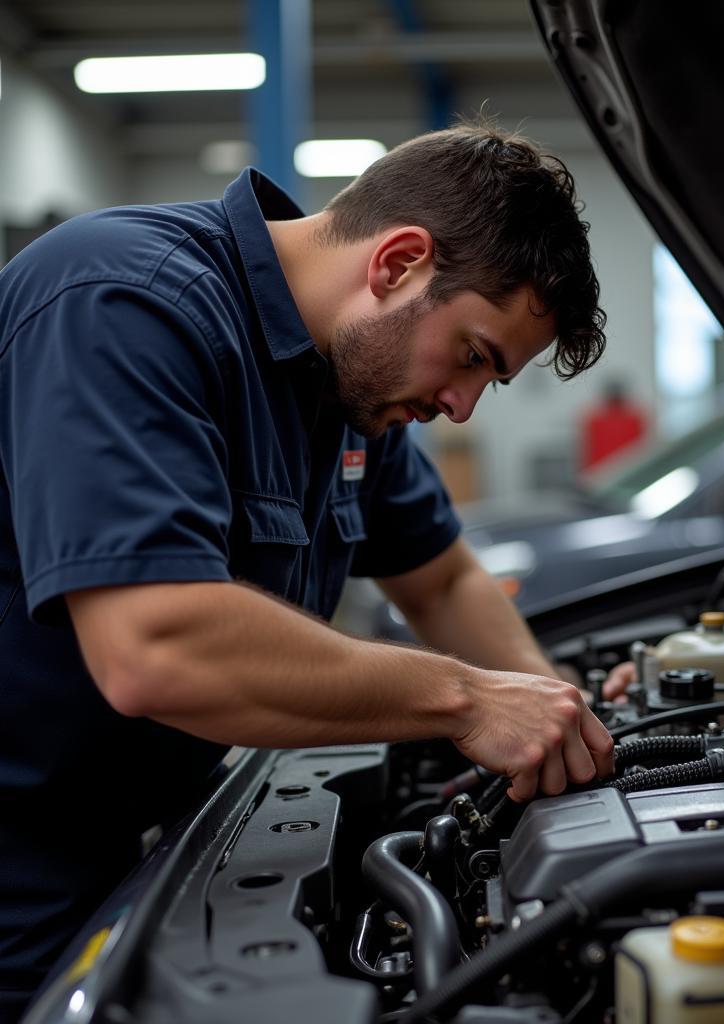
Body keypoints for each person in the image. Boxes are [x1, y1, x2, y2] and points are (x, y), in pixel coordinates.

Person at [0, 120, 615, 1019]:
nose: (460, 404)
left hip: (137, 833)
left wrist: (554, 713)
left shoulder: (350, 390)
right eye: (474, 356)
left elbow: (441, 579)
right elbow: (152, 647)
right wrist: (471, 698)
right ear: (398, 261)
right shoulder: (123, 302)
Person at [580, 378, 648, 471]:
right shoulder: (634, 419)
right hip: (609, 472)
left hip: (618, 471)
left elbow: (640, 450)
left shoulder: (594, 421)